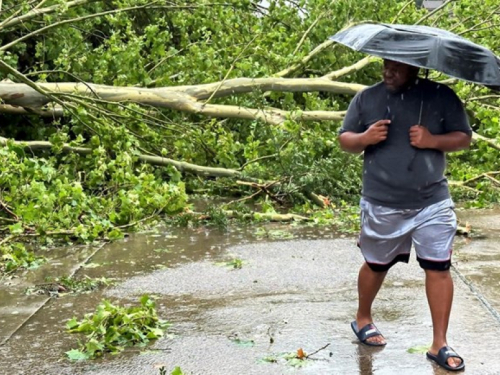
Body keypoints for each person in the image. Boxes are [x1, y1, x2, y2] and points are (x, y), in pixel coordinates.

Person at [338, 59, 472, 372]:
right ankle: (363, 318)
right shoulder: (367, 98)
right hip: (382, 202)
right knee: (376, 264)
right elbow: (345, 139)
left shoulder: (441, 96)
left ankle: (440, 343)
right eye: (386, 65)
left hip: (432, 201)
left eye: (397, 67)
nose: (388, 72)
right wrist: (364, 138)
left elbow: (464, 138)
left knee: (439, 268)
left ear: (416, 67)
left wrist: (432, 141)